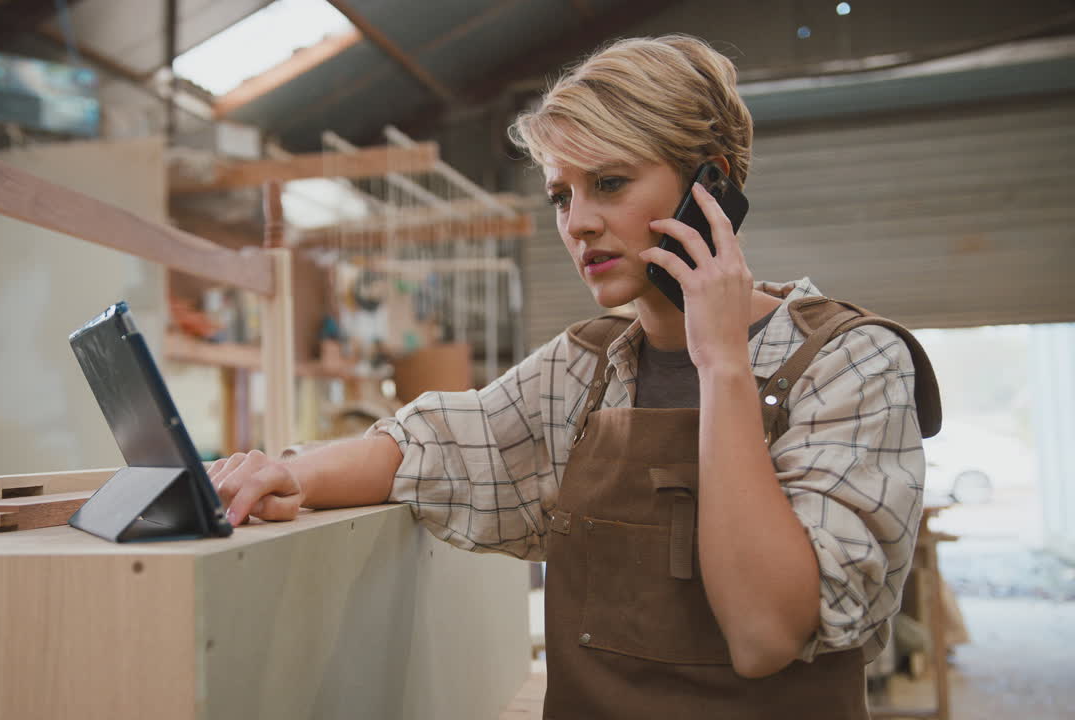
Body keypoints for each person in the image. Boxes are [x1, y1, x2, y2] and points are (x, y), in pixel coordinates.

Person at [208, 34, 940, 719]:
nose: (578, 222)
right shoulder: (585, 366)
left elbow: (763, 633)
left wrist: (721, 364)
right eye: (563, 194)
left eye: (609, 183)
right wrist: (291, 473)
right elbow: (435, 443)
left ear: (709, 184)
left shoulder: (851, 362)